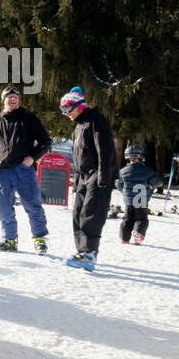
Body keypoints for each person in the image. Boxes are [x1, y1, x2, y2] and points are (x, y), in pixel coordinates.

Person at [0, 85, 52, 253]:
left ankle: (40, 239)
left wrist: (33, 157)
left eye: (15, 97)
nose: (13, 99)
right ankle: (9, 239)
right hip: (3, 172)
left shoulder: (28, 119)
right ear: (3, 100)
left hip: (24, 170)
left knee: (32, 205)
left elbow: (46, 142)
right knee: (4, 206)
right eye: (9, 96)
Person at [60, 87, 116, 271]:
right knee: (77, 214)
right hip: (83, 176)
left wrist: (103, 175)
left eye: (68, 109)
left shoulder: (95, 120)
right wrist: (77, 180)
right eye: (63, 110)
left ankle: (89, 253)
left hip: (97, 174)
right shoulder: (79, 125)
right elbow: (79, 156)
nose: (66, 114)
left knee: (90, 214)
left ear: (80, 106)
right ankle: (82, 253)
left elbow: (105, 149)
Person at [117, 144, 159, 245]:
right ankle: (138, 234)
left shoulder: (122, 171)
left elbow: (118, 184)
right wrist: (151, 186)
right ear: (141, 156)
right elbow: (157, 183)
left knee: (127, 219)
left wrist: (125, 191)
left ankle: (124, 238)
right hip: (142, 200)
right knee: (141, 219)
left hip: (129, 201)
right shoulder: (147, 171)